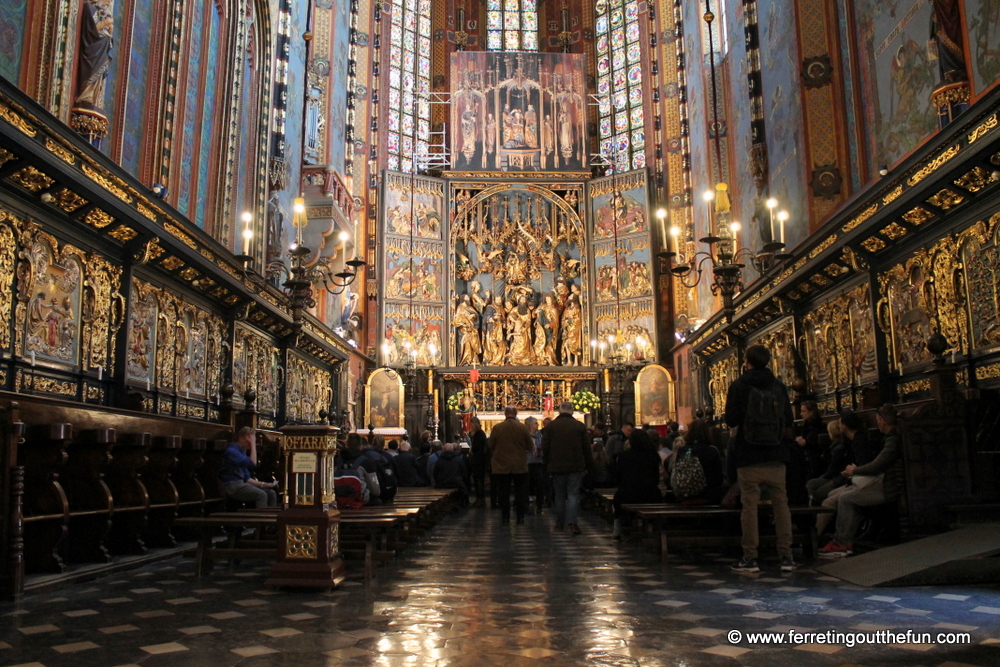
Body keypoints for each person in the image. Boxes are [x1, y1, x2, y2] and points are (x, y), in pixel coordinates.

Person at [725, 345, 796, 573]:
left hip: (749, 455)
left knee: (750, 507)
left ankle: (750, 558)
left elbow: (731, 419)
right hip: (776, 454)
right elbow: (789, 420)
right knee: (781, 506)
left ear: (747, 361)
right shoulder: (778, 386)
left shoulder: (739, 385)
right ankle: (786, 556)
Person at [819, 405, 904, 557]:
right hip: (882, 483)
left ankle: (841, 542)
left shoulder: (893, 439)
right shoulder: (891, 437)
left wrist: (854, 471)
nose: (877, 423)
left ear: (884, 421)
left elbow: (877, 464)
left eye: (878, 420)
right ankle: (844, 540)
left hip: (890, 488)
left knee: (846, 498)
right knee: (848, 494)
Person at [543, 401, 593, 535]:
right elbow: (586, 449)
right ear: (572, 411)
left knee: (559, 495)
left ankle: (559, 524)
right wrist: (589, 465)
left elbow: (545, 447)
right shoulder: (579, 426)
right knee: (573, 495)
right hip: (575, 466)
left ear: (559, 411)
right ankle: (572, 523)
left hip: (556, 466)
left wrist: (547, 463)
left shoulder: (551, 426)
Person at [815, 410, 866, 535]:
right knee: (831, 493)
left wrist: (852, 471)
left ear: (844, 426)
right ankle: (827, 531)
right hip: (852, 479)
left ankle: (818, 535)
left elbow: (864, 465)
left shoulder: (859, 441)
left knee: (828, 500)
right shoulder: (853, 440)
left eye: (840, 423)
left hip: (861, 482)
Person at [611, 429, 662, 540]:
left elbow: (618, 477)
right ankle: (655, 528)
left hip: (628, 494)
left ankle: (617, 528)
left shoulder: (623, 456)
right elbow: (656, 478)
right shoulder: (653, 455)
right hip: (649, 494)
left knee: (618, 498)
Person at [487, 406, 533, 525]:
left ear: (505, 414)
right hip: (519, 464)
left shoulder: (498, 428)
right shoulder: (522, 427)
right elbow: (530, 446)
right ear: (516, 413)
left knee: (503, 492)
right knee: (520, 491)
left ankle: (505, 517)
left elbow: (490, 445)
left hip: (502, 464)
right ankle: (520, 517)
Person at [668, 419, 725, 504]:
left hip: (684, 498)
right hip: (707, 498)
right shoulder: (711, 451)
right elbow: (718, 478)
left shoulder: (682, 450)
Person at [218, 427, 277, 508]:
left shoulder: (242, 451)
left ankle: (272, 519)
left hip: (241, 484)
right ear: (246, 437)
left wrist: (263, 484)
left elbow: (247, 478)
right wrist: (253, 444)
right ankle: (262, 520)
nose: (253, 443)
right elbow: (253, 463)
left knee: (271, 493)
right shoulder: (232, 451)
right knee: (261, 495)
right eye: (252, 440)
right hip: (232, 486)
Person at [806, 420, 850, 506]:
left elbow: (832, 469)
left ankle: (811, 507)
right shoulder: (835, 446)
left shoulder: (838, 448)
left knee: (816, 492)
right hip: (834, 476)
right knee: (811, 483)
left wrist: (823, 477)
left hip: (837, 478)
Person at [525, 417, 546, 514]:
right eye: (535, 423)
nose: (537, 425)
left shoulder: (540, 435)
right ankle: (528, 503)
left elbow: (544, 445)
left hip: (538, 462)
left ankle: (539, 504)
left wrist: (540, 449)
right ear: (530, 426)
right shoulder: (524, 436)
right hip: (528, 462)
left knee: (540, 484)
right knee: (528, 484)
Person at [468, 417, 489, 507]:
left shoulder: (479, 433)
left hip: (479, 460)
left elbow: (479, 446)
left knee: (479, 480)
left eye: (471, 424)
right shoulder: (477, 434)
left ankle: (480, 499)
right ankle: (479, 498)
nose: (470, 426)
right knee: (477, 480)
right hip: (478, 459)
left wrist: (472, 449)